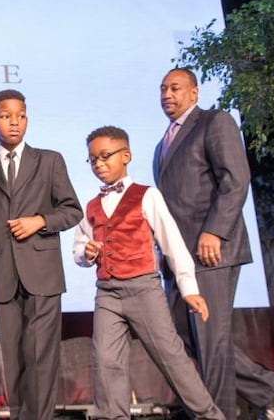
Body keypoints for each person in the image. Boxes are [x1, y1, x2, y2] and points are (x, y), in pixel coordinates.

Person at [153, 68, 274, 420]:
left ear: (194, 93)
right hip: (180, 258)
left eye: (175, 88)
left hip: (211, 251)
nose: (167, 94)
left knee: (210, 340)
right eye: (163, 89)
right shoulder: (162, 144)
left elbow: (236, 179)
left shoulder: (215, 122)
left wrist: (214, 231)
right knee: (182, 333)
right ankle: (267, 388)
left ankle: (218, 415)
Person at [73, 125, 225, 420]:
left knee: (171, 357)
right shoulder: (91, 206)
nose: (99, 164)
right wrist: (86, 253)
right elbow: (79, 249)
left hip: (143, 289)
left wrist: (189, 289)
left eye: (105, 156)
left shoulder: (147, 196)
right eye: (92, 160)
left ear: (126, 156)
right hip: (107, 293)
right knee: (106, 362)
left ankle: (209, 416)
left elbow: (172, 243)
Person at [0, 89, 82, 420]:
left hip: (42, 273)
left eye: (21, 116)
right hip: (4, 275)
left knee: (41, 357)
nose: (14, 122)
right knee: (14, 360)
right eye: (5, 116)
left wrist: (40, 221)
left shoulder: (49, 161)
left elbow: (72, 211)